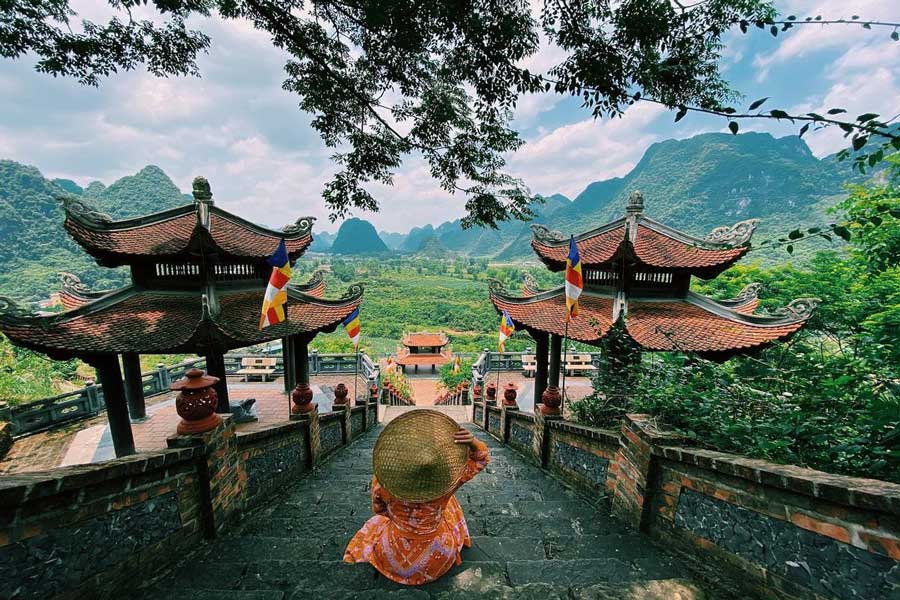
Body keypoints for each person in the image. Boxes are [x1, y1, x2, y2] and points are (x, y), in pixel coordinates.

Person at [343, 409, 490, 586]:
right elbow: (481, 459)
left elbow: (379, 510)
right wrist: (473, 442)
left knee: (376, 524)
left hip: (393, 557)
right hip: (439, 558)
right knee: (450, 504)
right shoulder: (447, 486)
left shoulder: (382, 484)